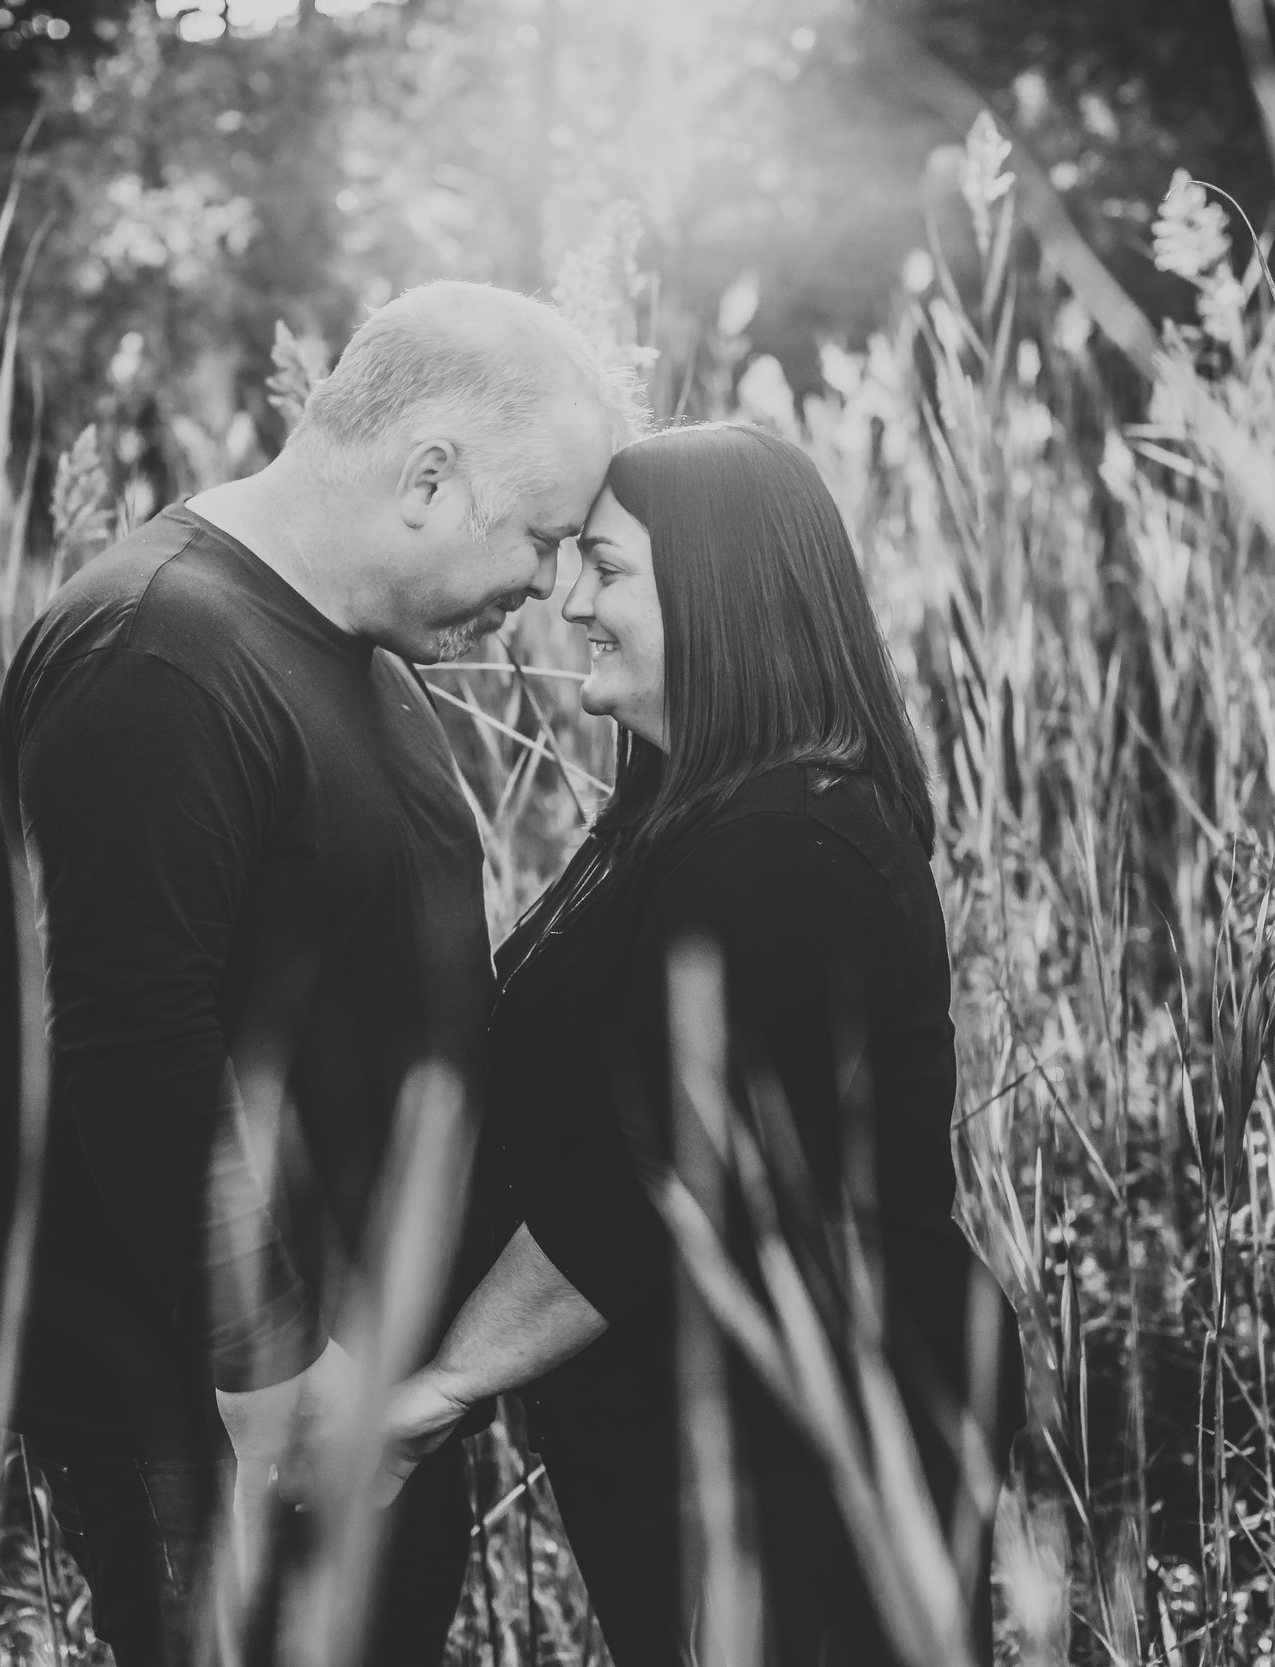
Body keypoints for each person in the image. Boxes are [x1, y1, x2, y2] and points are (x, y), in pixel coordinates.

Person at [0, 280, 639, 1667]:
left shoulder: (354, 656)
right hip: (220, 1418)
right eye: (541, 536)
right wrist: (274, 1370)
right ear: (429, 473)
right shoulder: (158, 646)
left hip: (354, 1387)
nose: (547, 587)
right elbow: (136, 1039)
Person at [379, 422, 1019, 1667]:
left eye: (605, 569)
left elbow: (658, 1170)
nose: (565, 601)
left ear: (721, 595)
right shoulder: (688, 811)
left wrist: (441, 1389)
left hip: (817, 1442)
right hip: (710, 1433)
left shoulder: (792, 846)